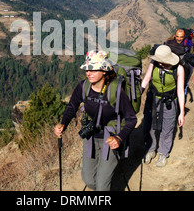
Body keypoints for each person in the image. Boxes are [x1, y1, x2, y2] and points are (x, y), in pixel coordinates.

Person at [54, 50, 137, 191]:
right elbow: (72, 106)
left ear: (104, 70)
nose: (88, 72)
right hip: (90, 136)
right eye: (87, 68)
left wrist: (119, 138)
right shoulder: (83, 86)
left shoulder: (116, 90)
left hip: (110, 138)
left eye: (93, 69)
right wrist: (63, 123)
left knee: (101, 186)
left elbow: (131, 119)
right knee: (88, 179)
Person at [140, 45, 185, 167]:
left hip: (170, 102)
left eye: (162, 62)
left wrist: (181, 112)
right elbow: (146, 79)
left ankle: (163, 153)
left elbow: (180, 91)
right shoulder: (154, 63)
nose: (160, 64)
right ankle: (150, 149)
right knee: (149, 126)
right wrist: (137, 96)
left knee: (167, 128)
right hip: (153, 100)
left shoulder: (179, 69)